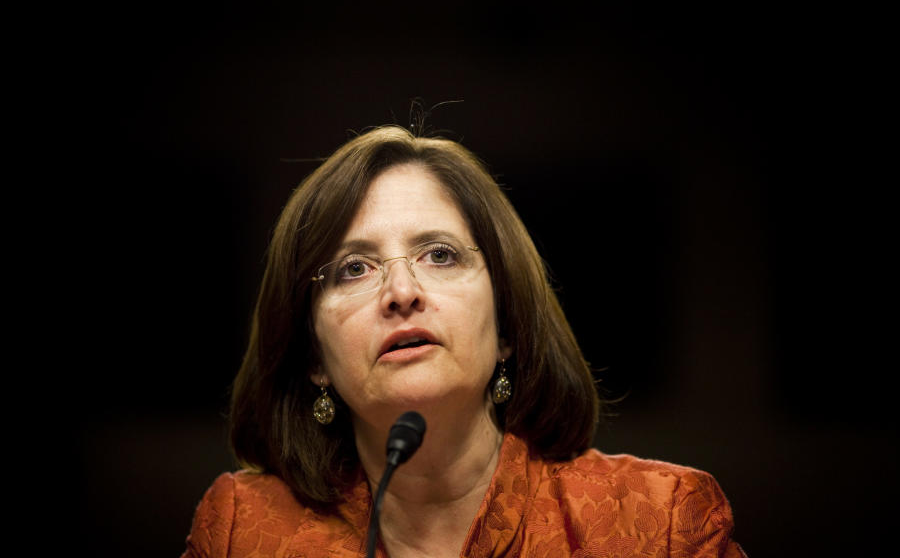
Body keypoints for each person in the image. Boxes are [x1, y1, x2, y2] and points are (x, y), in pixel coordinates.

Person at [182, 125, 746, 558]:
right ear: (312, 357)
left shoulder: (660, 525)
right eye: (354, 268)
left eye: (440, 255)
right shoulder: (240, 531)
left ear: (505, 327)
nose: (401, 291)